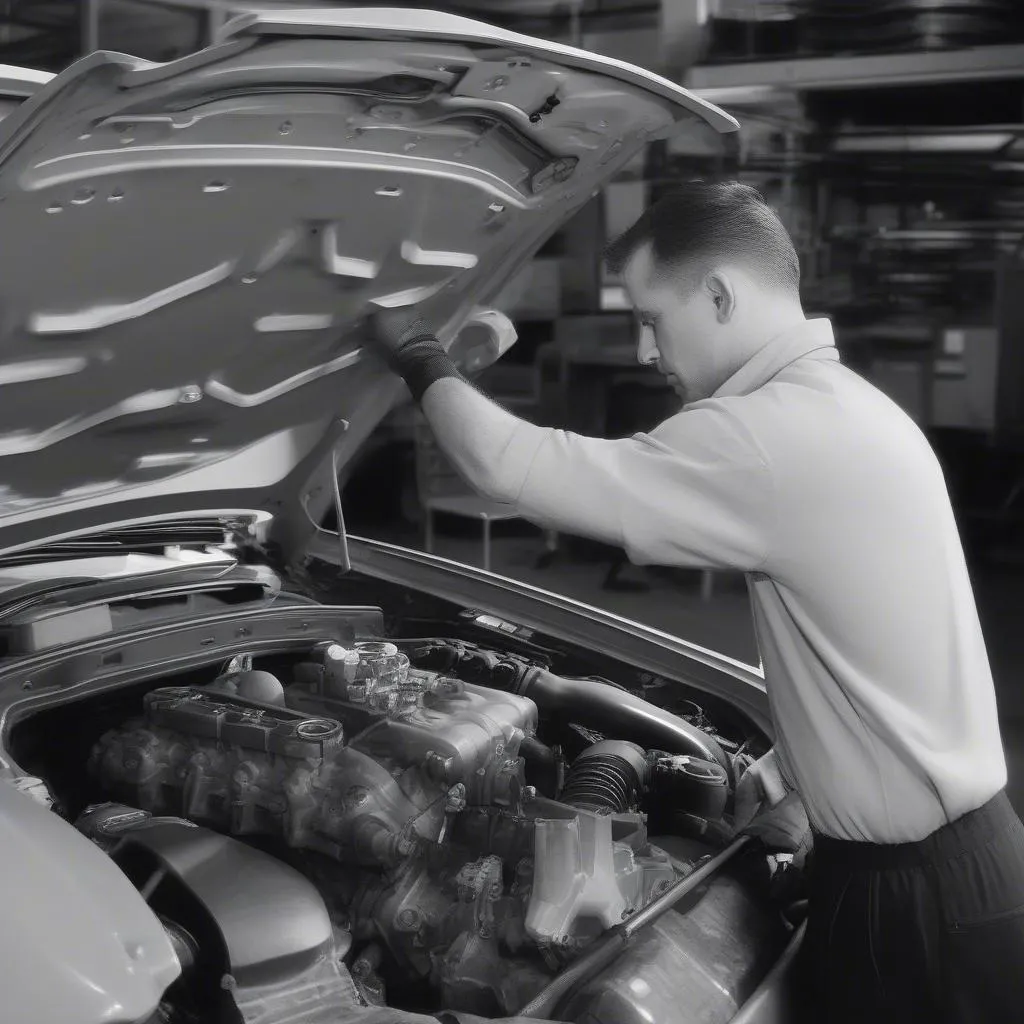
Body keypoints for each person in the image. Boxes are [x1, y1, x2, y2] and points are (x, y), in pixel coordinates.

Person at [369, 180, 1024, 1022]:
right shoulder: (853, 411)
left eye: (650, 318)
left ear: (719, 294)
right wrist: (794, 770)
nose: (645, 350)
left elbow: (513, 470)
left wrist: (417, 356)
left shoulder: (768, 435)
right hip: (956, 868)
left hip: (912, 901)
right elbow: (874, 641)